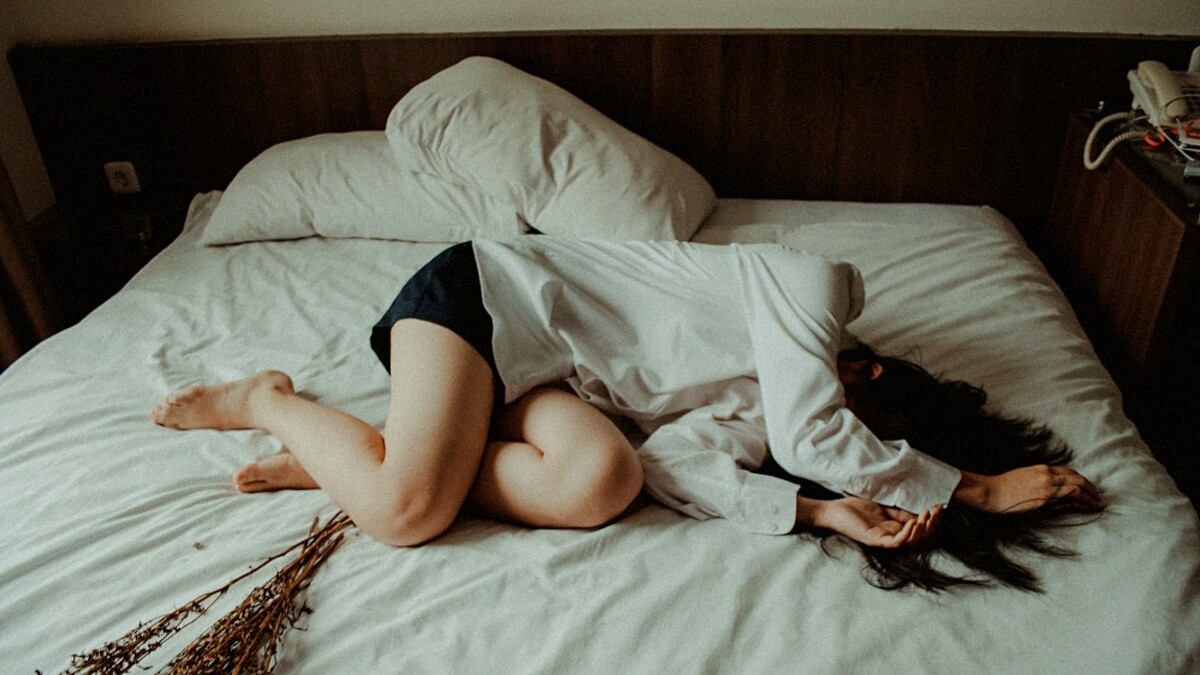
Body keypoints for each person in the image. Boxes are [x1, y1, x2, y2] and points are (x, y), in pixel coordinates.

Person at [152, 238, 1101, 584]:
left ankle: (363, 455)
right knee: (408, 511)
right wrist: (972, 488)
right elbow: (819, 432)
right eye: (857, 411)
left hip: (548, 384)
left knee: (606, 477)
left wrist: (817, 509)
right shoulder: (809, 286)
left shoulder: (764, 416)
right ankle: (270, 399)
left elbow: (673, 466)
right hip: (489, 299)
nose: (830, 423)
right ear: (865, 368)